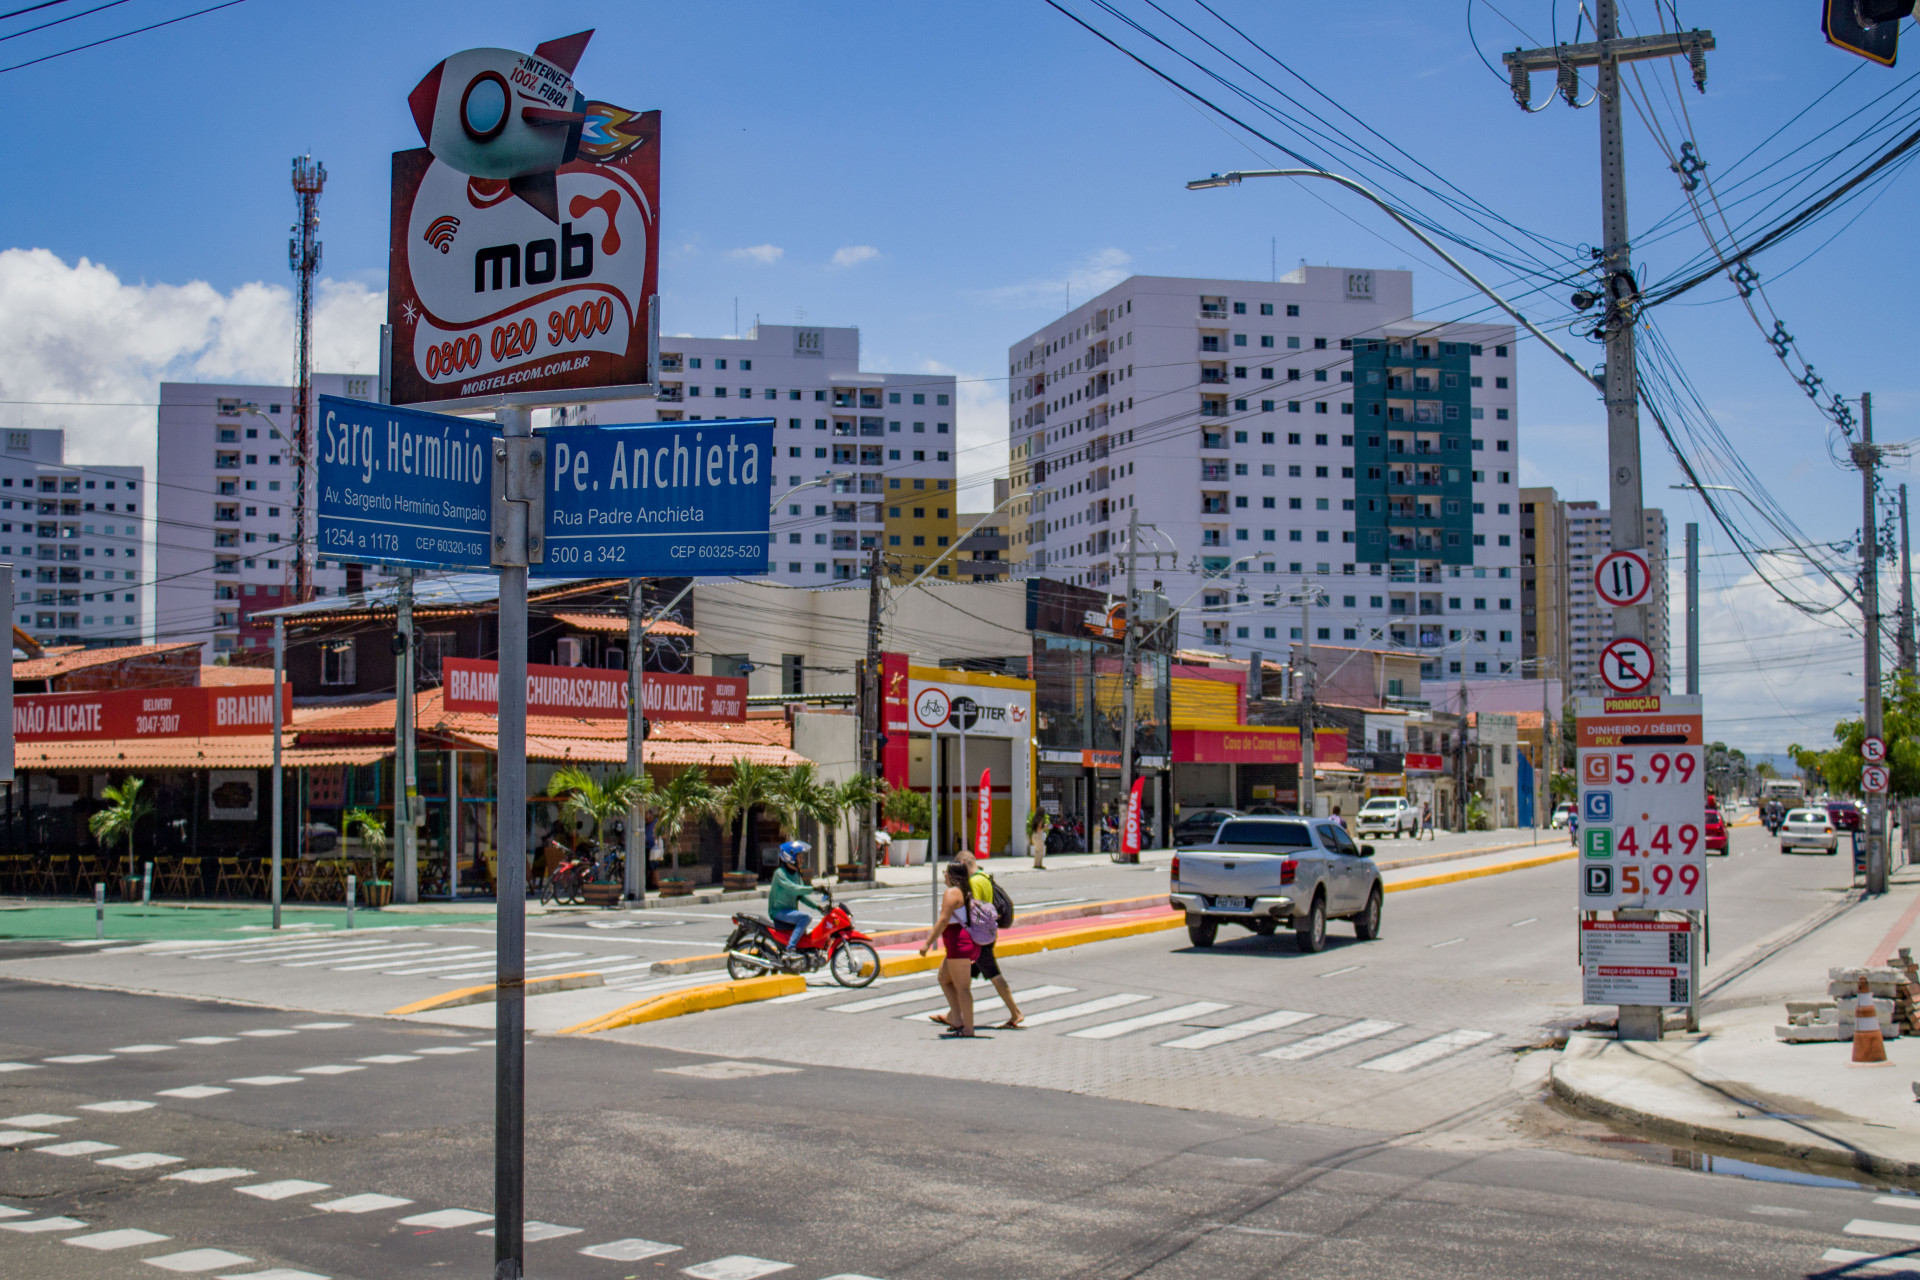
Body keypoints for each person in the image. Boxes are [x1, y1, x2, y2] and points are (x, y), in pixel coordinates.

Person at [949, 852, 1021, 1029]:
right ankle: (953, 1015)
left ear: (964, 863)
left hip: (978, 938)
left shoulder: (974, 882)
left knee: (994, 975)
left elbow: (972, 909)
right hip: (986, 933)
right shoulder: (984, 877)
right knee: (963, 979)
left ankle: (1016, 1013)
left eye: (959, 866)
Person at [918, 860, 980, 1038]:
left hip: (958, 944)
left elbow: (943, 920)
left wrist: (927, 943)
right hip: (956, 944)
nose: (944, 875)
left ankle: (968, 1028)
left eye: (946, 872)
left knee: (962, 988)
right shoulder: (962, 891)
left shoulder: (952, 893)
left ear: (951, 875)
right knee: (944, 978)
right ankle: (958, 1020)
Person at [767, 840, 824, 957]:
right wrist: (813, 889)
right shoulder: (780, 874)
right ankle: (791, 948)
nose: (802, 860)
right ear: (790, 857)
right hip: (778, 912)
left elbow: (801, 896)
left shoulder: (796, 874)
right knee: (805, 917)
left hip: (790, 912)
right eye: (799, 857)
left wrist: (819, 907)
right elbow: (793, 889)